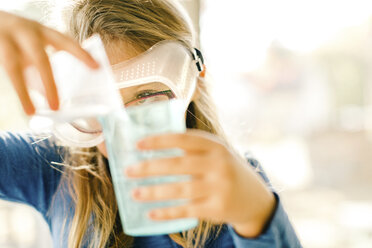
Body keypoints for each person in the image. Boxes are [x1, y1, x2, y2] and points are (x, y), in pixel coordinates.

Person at [0, 0, 302, 247]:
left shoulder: (230, 184)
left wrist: (256, 213)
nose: (127, 131)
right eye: (99, 108)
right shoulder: (54, 169)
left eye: (147, 96)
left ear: (193, 79)